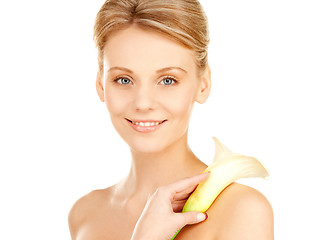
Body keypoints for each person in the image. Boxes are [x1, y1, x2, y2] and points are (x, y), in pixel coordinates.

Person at [68, 0, 274, 239]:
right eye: (124, 80)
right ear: (101, 85)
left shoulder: (243, 211)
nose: (143, 103)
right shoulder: (86, 214)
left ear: (203, 85)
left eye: (168, 80)